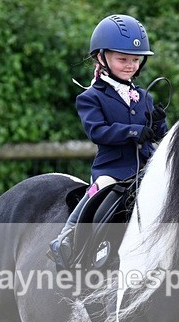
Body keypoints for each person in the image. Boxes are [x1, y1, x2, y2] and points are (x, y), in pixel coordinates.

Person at [49, 14, 169, 268]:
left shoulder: (144, 96)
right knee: (100, 188)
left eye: (136, 59)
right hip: (113, 169)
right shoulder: (91, 97)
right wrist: (135, 132)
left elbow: (160, 135)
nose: (130, 65)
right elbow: (98, 132)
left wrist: (158, 122)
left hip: (146, 169)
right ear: (101, 57)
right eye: (122, 59)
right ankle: (68, 239)